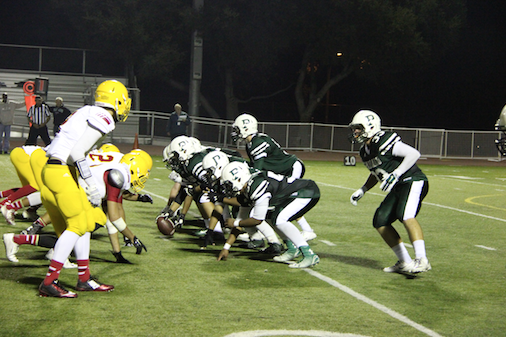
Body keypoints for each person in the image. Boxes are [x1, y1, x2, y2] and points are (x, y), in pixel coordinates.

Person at [37, 79, 131, 298]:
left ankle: (84, 278)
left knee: (87, 221)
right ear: (116, 99)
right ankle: (49, 282)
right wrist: (90, 184)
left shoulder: (88, 110)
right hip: (60, 169)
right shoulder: (104, 116)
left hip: (58, 168)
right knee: (78, 224)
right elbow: (77, 153)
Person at [348, 109, 431, 275]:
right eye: (354, 128)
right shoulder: (365, 151)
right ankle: (405, 262)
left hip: (413, 180)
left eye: (358, 128)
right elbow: (375, 172)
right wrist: (363, 189)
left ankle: (422, 259)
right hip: (399, 186)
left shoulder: (383, 140)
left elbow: (413, 154)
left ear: (370, 127)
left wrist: (397, 173)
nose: (355, 132)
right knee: (380, 220)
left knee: (405, 215)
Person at [217, 161, 320, 268]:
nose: (228, 189)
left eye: (229, 185)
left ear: (238, 179)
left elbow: (257, 220)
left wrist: (235, 222)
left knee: (280, 219)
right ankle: (292, 248)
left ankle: (309, 254)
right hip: (296, 193)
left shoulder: (256, 186)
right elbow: (242, 217)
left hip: (306, 192)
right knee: (270, 216)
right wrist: (226, 247)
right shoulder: (250, 186)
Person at [231, 113, 317, 241]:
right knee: (271, 200)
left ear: (246, 128)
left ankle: (307, 230)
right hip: (280, 171)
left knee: (284, 200)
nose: (235, 132)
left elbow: (257, 170)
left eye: (237, 129)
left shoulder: (257, 142)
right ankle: (260, 231)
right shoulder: (251, 143)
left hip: (290, 168)